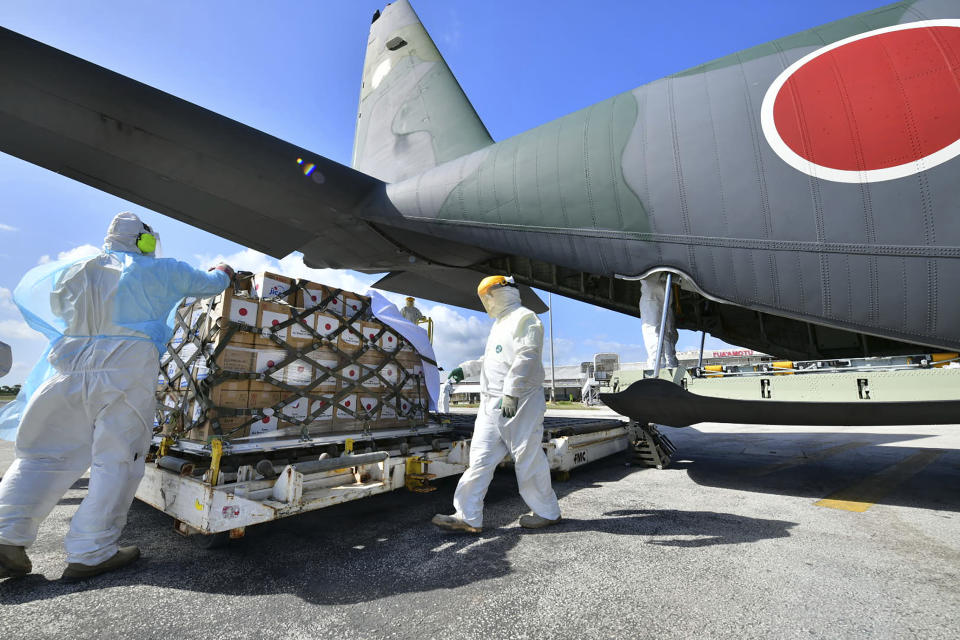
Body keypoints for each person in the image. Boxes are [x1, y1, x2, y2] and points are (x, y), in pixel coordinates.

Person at [0, 212, 233, 581]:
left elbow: (63, 311)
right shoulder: (162, 270)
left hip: (67, 367)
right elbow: (212, 283)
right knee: (117, 461)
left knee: (43, 456)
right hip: (124, 368)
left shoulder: (75, 272)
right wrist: (224, 270)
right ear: (144, 241)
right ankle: (92, 551)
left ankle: (5, 535)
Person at [432, 275, 560, 533]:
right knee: (479, 459)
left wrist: (512, 392)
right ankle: (467, 517)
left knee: (527, 457)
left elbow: (527, 357)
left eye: (489, 294)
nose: (486, 300)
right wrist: (466, 369)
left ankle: (547, 511)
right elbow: (493, 359)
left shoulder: (526, 318)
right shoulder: (500, 324)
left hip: (520, 401)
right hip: (491, 404)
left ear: (505, 291)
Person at [639, 273, 678, 370]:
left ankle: (657, 363)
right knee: (667, 326)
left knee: (651, 327)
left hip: (651, 287)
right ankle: (670, 361)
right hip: (665, 287)